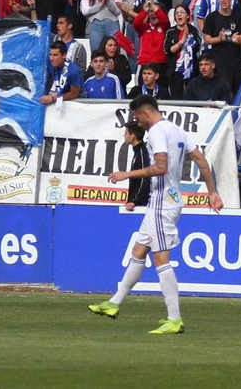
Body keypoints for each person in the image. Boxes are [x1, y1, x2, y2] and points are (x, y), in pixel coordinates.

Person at [88, 94, 223, 334]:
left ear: (145, 113)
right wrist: (212, 192)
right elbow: (202, 162)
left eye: (137, 117)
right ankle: (114, 303)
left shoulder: (158, 132)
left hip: (163, 203)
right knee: (138, 250)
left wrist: (126, 174)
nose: (137, 122)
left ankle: (175, 319)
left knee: (161, 260)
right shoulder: (178, 131)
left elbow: (161, 167)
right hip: (161, 202)